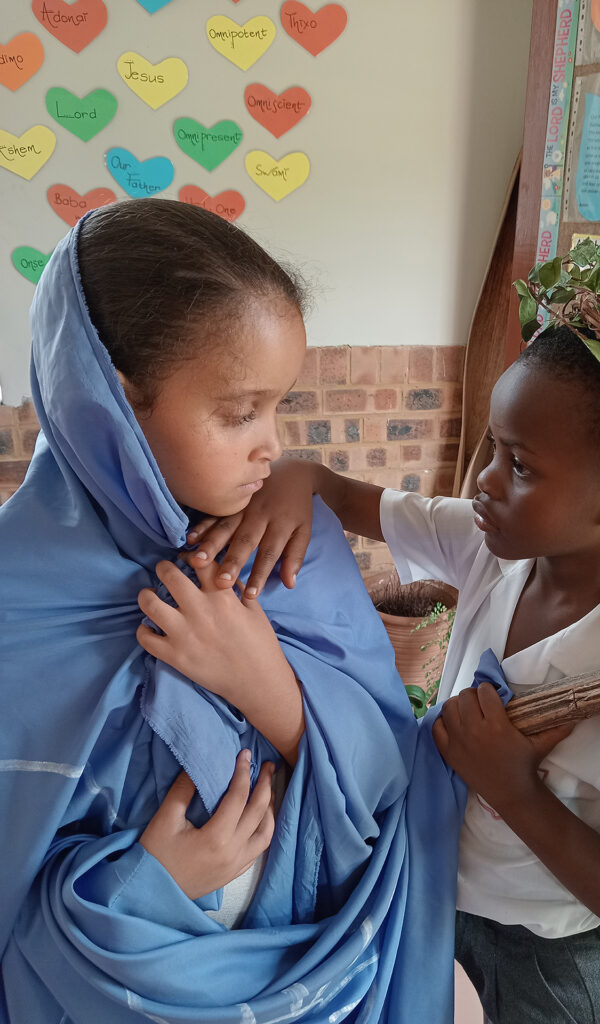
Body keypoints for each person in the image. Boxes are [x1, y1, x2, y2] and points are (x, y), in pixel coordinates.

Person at [0, 199, 464, 1023]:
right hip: (109, 973)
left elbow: (390, 781)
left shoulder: (294, 545)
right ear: (113, 401)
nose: (272, 445)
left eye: (278, 406)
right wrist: (147, 886)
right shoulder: (17, 594)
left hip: (317, 967)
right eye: (239, 412)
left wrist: (272, 691)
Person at [189, 323, 600, 1024]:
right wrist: (297, 478)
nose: (485, 482)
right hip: (449, 881)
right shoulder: (492, 545)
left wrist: (515, 791)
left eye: (522, 467)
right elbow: (342, 495)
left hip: (557, 946)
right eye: (493, 449)